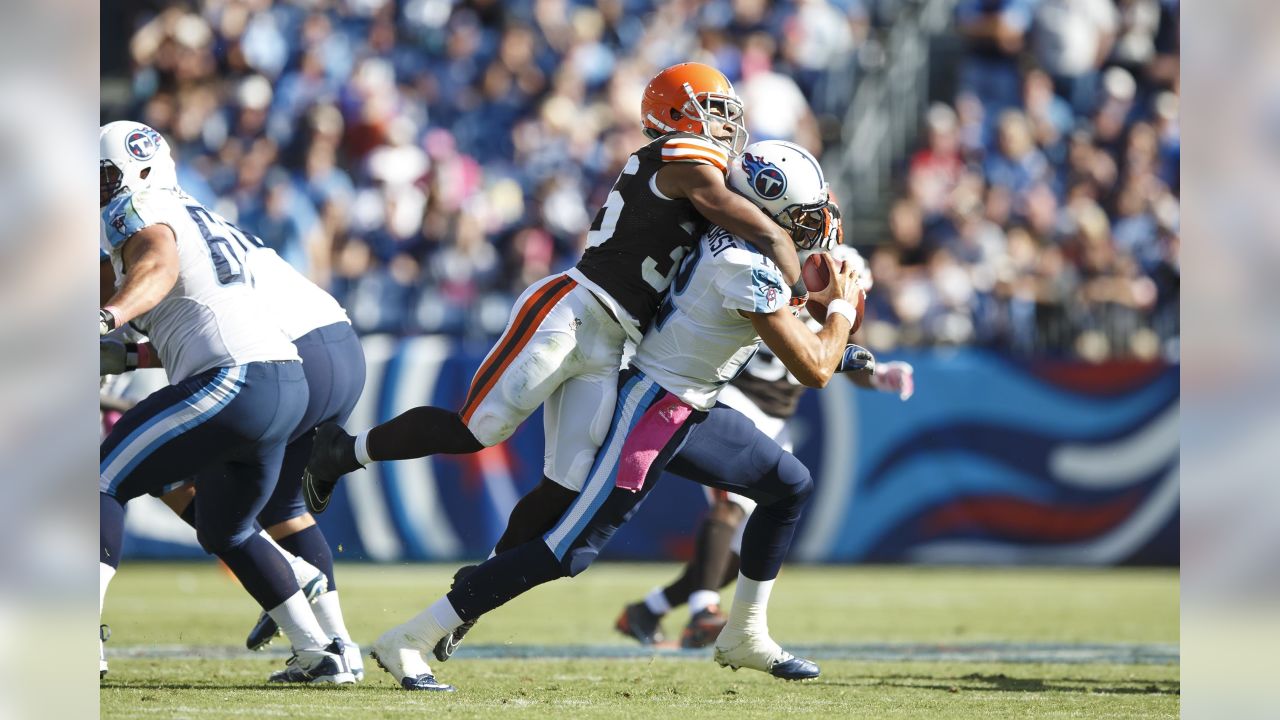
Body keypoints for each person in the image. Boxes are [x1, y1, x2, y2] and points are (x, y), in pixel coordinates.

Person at [360, 140, 860, 691]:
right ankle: (411, 635)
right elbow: (813, 366)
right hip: (653, 412)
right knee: (565, 551)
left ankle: (743, 632)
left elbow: (803, 324)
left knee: (787, 484)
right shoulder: (745, 264)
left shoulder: (735, 241)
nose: (818, 225)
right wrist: (841, 308)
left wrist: (833, 321)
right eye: (807, 216)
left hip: (689, 405)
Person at [304, 62, 807, 568]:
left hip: (614, 339)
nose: (726, 126)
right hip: (573, 309)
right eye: (715, 112)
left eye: (728, 114)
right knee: (480, 428)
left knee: (566, 484)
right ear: (679, 115)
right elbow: (761, 230)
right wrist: (794, 271)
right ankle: (342, 452)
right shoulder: (681, 155)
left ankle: (481, 585)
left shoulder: (701, 170)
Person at [98, 121, 352, 684]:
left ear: (137, 171)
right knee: (226, 527)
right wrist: (117, 350)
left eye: (104, 175)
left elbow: (157, 267)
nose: (97, 188)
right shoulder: (190, 210)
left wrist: (105, 319)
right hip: (284, 378)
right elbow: (188, 318)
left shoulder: (136, 209)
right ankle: (320, 654)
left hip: (236, 381)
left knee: (100, 479)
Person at [614, 250, 915, 646]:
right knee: (730, 506)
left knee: (742, 552)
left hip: (777, 421)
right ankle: (704, 611)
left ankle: (648, 610)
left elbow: (850, 359)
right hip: (734, 404)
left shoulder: (834, 312)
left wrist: (880, 376)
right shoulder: (776, 287)